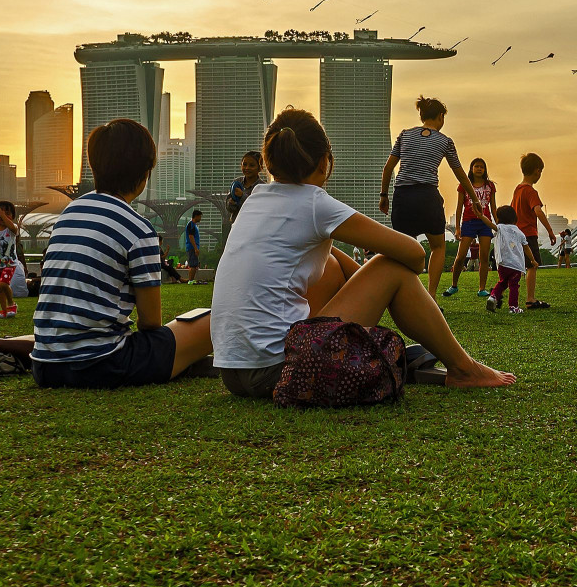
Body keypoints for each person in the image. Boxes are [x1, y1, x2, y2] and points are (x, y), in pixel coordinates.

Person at [212, 107, 515, 397]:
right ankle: (464, 368)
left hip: (234, 374)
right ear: (323, 163)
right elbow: (413, 254)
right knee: (391, 268)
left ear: (270, 160)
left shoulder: (255, 199)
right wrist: (380, 285)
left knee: (329, 264)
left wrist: (355, 275)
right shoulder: (314, 202)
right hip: (282, 371)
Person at [19, 118, 213, 389]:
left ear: (95, 165)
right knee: (212, 321)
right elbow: (150, 322)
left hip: (44, 366)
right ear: (145, 172)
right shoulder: (138, 228)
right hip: (103, 364)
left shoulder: (68, 215)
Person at [380, 96, 493, 298]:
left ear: (422, 115)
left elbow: (388, 168)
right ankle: (430, 296)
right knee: (438, 246)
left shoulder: (404, 135)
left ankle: (403, 294)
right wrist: (475, 199)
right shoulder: (445, 141)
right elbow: (459, 173)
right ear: (440, 116)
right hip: (427, 197)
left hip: (402, 196)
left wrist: (384, 195)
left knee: (404, 249)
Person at [443, 157, 498, 299]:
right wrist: (457, 228)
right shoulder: (464, 185)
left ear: (485, 170)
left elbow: (493, 207)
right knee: (461, 256)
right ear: (471, 169)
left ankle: (482, 288)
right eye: (476, 166)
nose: (479, 169)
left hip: (485, 222)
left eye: (482, 167)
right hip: (468, 222)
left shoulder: (490, 186)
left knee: (484, 256)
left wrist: (498, 225)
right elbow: (459, 206)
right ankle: (454, 285)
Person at [511, 153, 557, 309]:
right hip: (528, 234)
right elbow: (537, 211)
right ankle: (530, 299)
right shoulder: (531, 192)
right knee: (532, 265)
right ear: (537, 171)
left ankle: (503, 295)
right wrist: (550, 231)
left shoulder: (517, 190)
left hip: (516, 234)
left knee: (518, 267)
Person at [486, 205, 538, 315]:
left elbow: (489, 224)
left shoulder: (499, 228)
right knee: (514, 285)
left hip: (502, 264)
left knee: (503, 282)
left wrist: (480, 216)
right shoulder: (519, 232)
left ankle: (493, 296)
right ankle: (513, 307)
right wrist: (532, 260)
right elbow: (526, 247)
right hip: (515, 265)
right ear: (515, 218)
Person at [225, 151, 263, 224]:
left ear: (260, 168)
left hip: (254, 226)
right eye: (244, 164)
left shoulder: (262, 187)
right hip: (236, 226)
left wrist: (242, 196)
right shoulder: (237, 182)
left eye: (252, 165)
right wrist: (231, 203)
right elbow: (229, 208)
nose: (247, 168)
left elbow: (258, 208)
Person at [185, 210, 203, 282]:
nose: (200, 218)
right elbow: (191, 237)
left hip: (193, 247)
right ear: (196, 216)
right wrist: (195, 248)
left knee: (195, 264)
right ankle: (190, 280)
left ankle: (191, 280)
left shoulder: (194, 225)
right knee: (192, 265)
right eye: (200, 216)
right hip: (192, 247)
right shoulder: (191, 224)